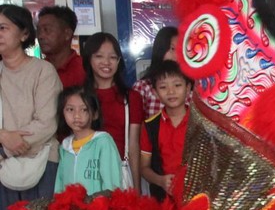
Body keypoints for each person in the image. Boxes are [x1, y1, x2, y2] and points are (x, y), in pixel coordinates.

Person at [0, 3, 60, 210]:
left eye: (3, 28)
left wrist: (10, 145)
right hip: (2, 165)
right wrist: (3, 137)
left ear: (24, 33)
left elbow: (47, 122)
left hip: (42, 162)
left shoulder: (43, 71)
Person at [83, 32, 142, 192]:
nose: (106, 62)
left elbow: (133, 145)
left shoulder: (132, 98)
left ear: (119, 61)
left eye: (113, 57)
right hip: (87, 174)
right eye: (99, 56)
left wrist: (137, 188)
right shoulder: (80, 97)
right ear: (89, 59)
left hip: (119, 173)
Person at [54, 85, 122, 195]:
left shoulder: (103, 142)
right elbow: (60, 186)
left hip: (97, 209)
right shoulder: (65, 147)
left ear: (95, 114)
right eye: (70, 109)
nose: (76, 115)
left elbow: (111, 185)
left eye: (84, 109)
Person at [140, 61, 190, 201]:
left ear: (188, 88)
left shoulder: (199, 123)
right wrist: (160, 181)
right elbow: (143, 167)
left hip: (195, 200)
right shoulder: (150, 126)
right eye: (163, 87)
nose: (171, 91)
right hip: (162, 201)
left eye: (177, 85)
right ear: (155, 93)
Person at [132, 26, 182, 119]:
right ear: (161, 50)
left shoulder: (191, 87)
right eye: (172, 49)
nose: (177, 55)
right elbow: (136, 125)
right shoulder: (143, 87)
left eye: (180, 49)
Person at [36, 5, 86, 89]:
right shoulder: (37, 69)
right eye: (38, 31)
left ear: (67, 34)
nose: (41, 36)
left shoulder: (84, 70)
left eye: (47, 30)